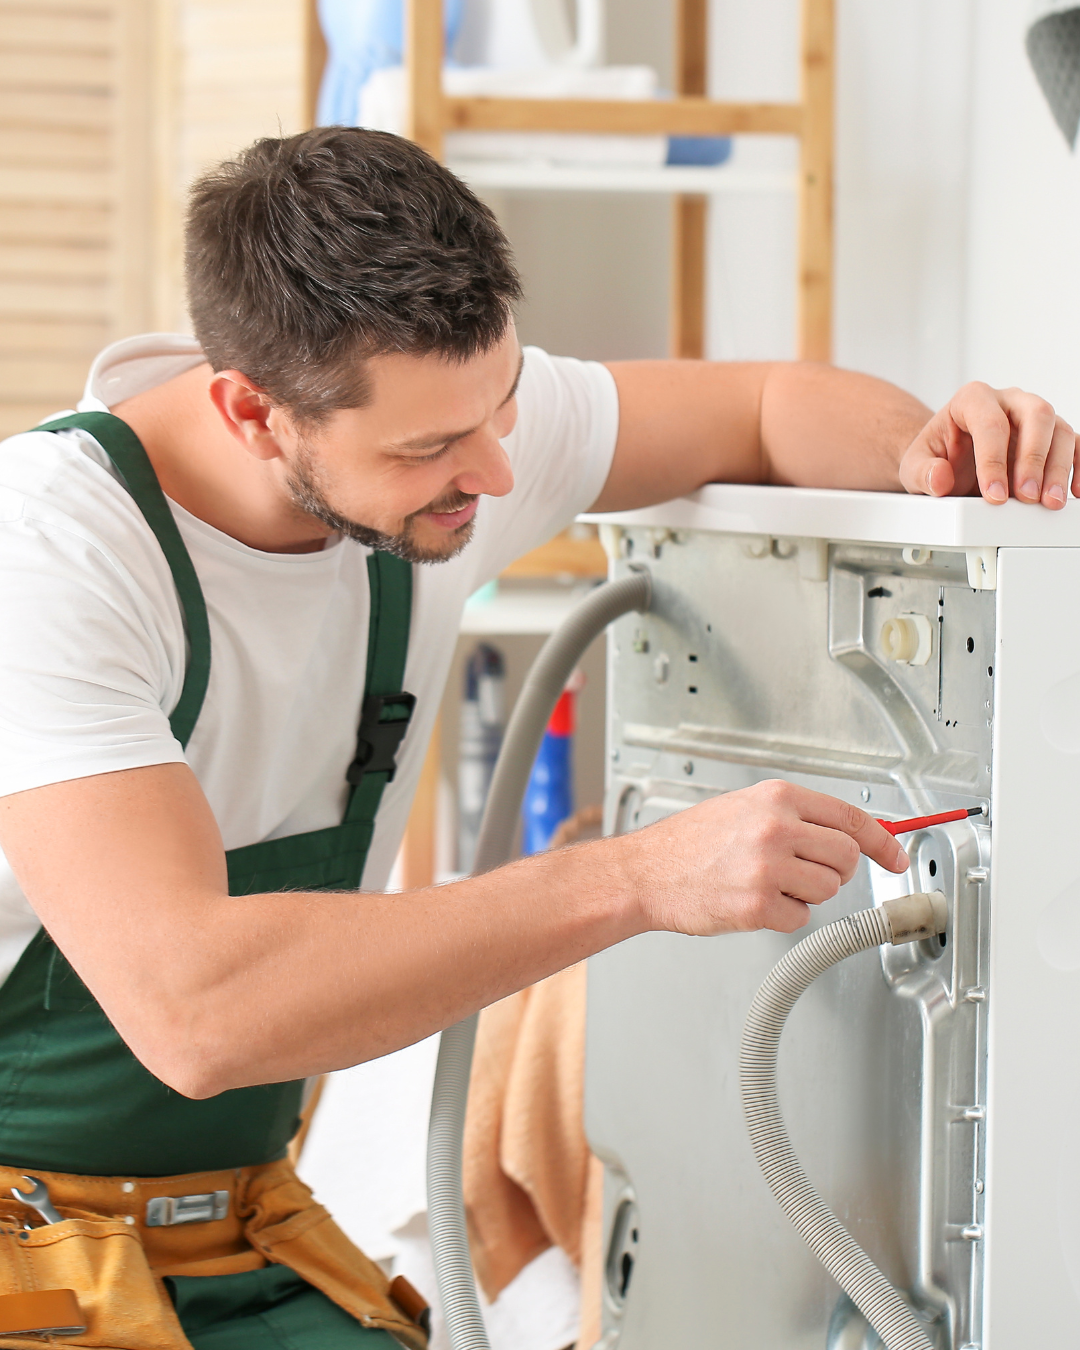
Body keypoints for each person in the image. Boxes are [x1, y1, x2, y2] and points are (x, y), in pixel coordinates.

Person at [0, 126, 1073, 1349]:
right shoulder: (55, 555)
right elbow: (197, 1013)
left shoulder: (444, 427)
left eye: (503, 404)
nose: (499, 471)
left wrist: (935, 450)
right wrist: (636, 876)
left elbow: (766, 403)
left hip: (235, 1223)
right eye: (431, 451)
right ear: (253, 412)